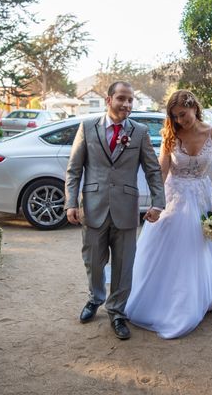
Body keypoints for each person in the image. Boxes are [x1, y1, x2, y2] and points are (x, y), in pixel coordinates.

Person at [125, 90, 212, 339]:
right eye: (175, 117)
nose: (180, 120)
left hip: (202, 196)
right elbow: (162, 172)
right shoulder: (171, 135)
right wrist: (156, 204)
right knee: (175, 246)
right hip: (176, 197)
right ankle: (174, 299)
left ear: (194, 107)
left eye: (183, 115)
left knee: (202, 246)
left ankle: (206, 294)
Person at [65, 81, 166, 340]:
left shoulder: (140, 131)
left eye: (131, 100)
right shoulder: (87, 128)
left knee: (124, 265)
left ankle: (117, 311)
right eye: (122, 98)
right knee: (93, 262)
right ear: (109, 100)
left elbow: (153, 169)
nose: (127, 104)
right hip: (93, 207)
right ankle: (95, 298)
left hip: (125, 208)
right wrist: (70, 203)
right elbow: (74, 169)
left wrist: (158, 202)